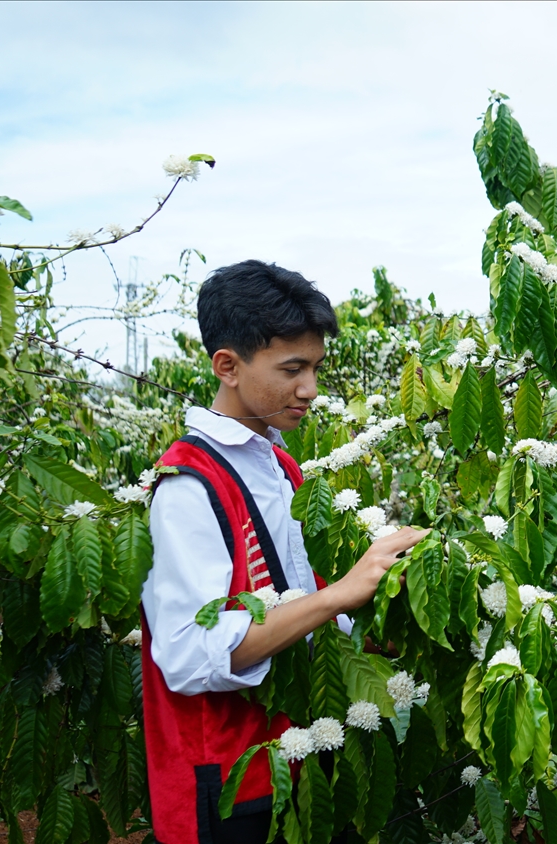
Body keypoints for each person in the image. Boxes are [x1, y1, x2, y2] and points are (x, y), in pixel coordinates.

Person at [140, 260, 428, 844]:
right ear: (228, 365)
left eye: (316, 368)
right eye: (292, 369)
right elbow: (191, 657)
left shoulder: (279, 466)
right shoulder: (187, 487)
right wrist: (340, 593)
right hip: (227, 777)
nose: (310, 390)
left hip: (301, 756)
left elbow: (301, 600)